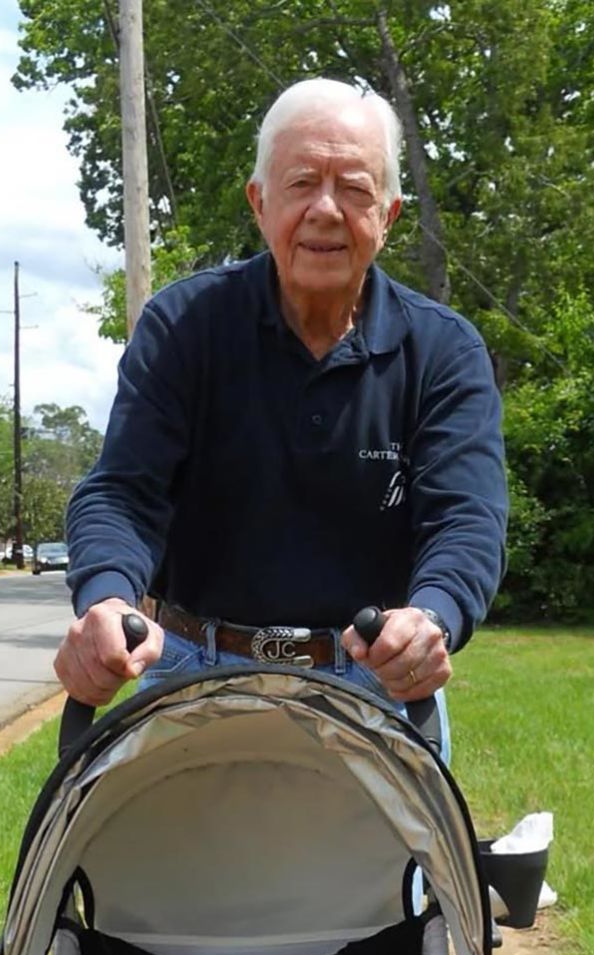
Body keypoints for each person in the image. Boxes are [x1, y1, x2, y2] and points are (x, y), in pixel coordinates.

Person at [53, 76, 507, 751]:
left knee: (395, 863)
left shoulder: (443, 350)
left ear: (389, 214)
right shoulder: (183, 326)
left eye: (354, 188)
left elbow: (467, 518)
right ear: (259, 203)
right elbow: (122, 493)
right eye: (301, 184)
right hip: (191, 674)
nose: (326, 209)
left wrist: (433, 616)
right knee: (168, 860)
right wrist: (109, 600)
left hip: (374, 681)